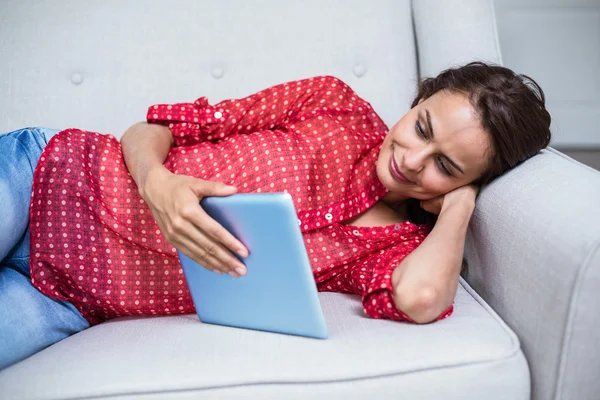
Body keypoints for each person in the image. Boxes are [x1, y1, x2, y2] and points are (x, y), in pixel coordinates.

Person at [0, 61, 551, 369]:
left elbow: (422, 299)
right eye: (422, 128)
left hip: (65, 300)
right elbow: (153, 128)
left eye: (445, 166)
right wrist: (157, 183)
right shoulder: (331, 103)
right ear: (417, 101)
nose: (411, 159)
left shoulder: (397, 246)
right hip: (47, 177)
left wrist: (459, 207)